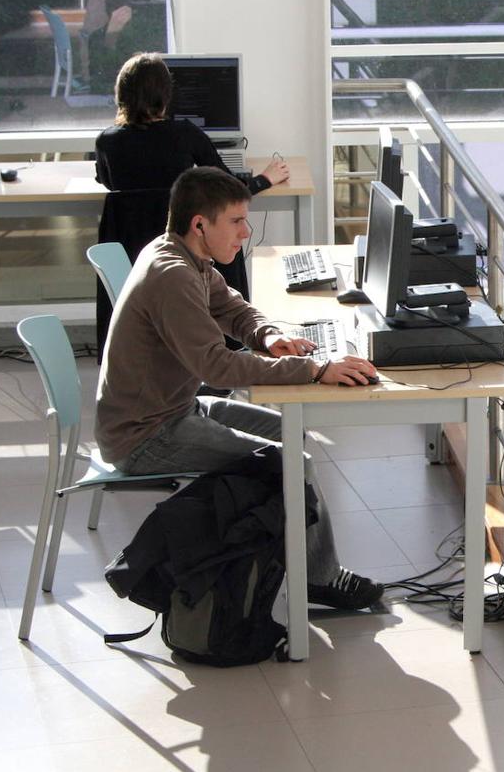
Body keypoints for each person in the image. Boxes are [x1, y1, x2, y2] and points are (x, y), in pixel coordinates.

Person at [95, 166, 383, 609]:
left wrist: (269, 337)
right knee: (293, 462)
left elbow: (232, 308)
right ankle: (319, 580)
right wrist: (314, 368)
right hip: (146, 436)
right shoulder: (172, 276)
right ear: (199, 224)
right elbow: (218, 366)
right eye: (236, 222)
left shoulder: (182, 254)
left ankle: (293, 562)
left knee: (292, 437)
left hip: (175, 410)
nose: (245, 233)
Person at [94, 52, 289, 194]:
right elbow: (232, 189)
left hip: (126, 249)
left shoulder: (105, 141)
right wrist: (265, 179)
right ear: (165, 95)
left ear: (121, 95)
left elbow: (109, 184)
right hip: (177, 248)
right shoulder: (185, 134)